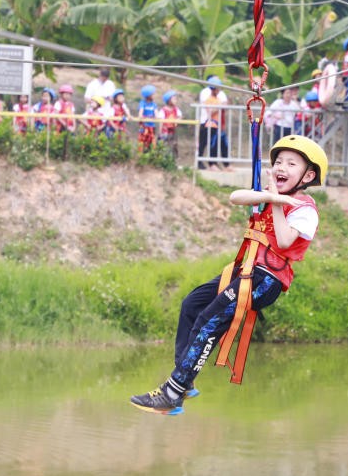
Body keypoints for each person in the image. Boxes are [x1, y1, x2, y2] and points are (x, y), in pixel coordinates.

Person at [129, 135, 328, 414]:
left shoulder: (305, 211)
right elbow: (236, 197)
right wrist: (271, 196)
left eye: (291, 164)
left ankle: (171, 392)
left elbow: (283, 241)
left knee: (208, 322)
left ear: (308, 175)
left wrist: (279, 203)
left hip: (265, 280)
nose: (282, 167)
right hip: (245, 271)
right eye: (279, 161)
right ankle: (183, 380)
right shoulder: (271, 197)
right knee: (192, 305)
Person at [197, 76, 229, 169]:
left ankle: (216, 163)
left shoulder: (218, 99)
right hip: (209, 124)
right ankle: (209, 163)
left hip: (217, 124)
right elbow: (210, 111)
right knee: (206, 144)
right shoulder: (208, 99)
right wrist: (220, 106)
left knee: (218, 144)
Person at [158, 90, 182, 158]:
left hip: (173, 130)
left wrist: (177, 120)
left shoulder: (176, 109)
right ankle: (163, 157)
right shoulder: (163, 110)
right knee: (164, 144)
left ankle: (173, 158)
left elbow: (180, 116)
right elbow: (161, 121)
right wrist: (160, 132)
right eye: (174, 99)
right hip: (165, 130)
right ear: (169, 100)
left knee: (174, 144)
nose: (176, 100)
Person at [137, 85, 159, 152]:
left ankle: (152, 154)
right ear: (149, 95)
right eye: (153, 94)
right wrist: (142, 117)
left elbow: (156, 114)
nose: (155, 95)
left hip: (151, 126)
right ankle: (140, 155)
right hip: (144, 126)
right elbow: (140, 113)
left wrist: (156, 117)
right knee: (142, 140)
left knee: (152, 140)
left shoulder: (154, 104)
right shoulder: (142, 103)